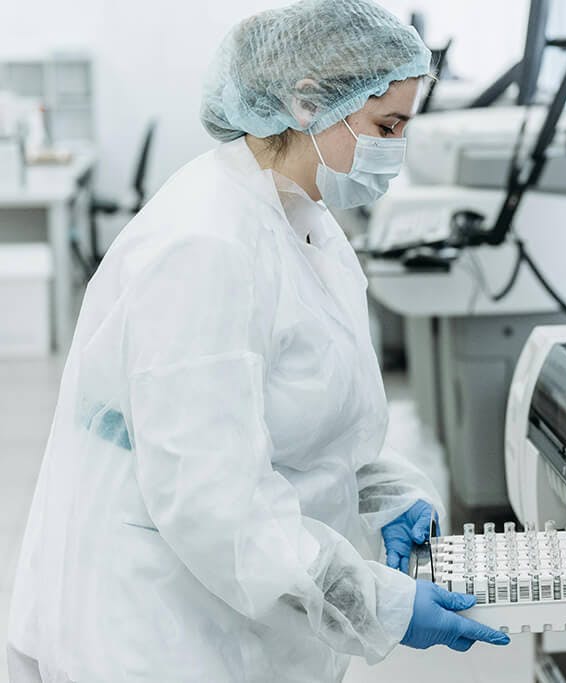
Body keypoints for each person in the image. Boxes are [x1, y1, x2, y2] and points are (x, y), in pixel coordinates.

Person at [7, 1, 510, 682]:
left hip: (241, 618)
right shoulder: (206, 246)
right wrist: (374, 605)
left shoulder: (304, 219)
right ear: (308, 103)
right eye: (385, 125)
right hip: (159, 633)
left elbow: (309, 417)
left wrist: (386, 492)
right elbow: (217, 503)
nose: (395, 148)